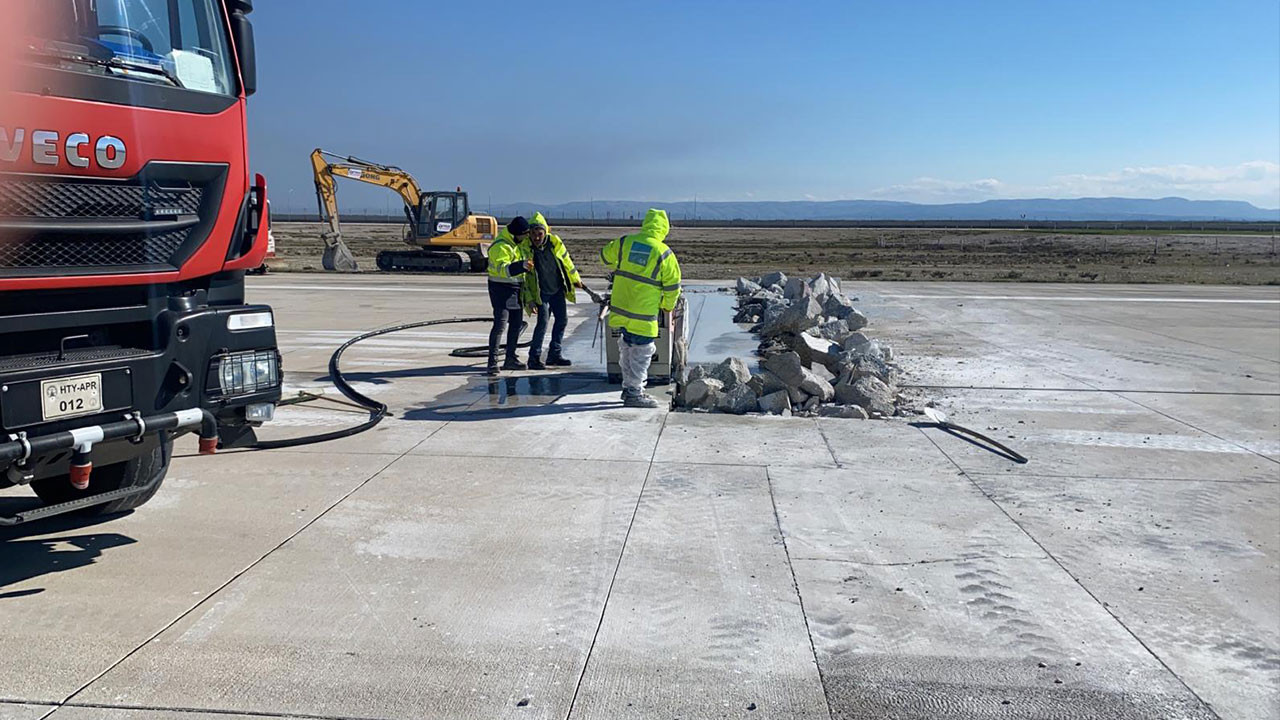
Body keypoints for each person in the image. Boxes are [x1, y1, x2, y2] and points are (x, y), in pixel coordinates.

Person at [600, 208, 681, 408]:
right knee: (642, 353)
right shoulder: (664, 253)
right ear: (664, 229)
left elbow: (604, 256)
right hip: (642, 314)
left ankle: (628, 388)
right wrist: (666, 306)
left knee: (626, 348)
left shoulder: (625, 242)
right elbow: (672, 286)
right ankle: (635, 393)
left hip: (621, 309)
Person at [525, 212, 585, 369]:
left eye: (539, 234)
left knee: (562, 320)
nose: (536, 238)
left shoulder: (554, 243)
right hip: (541, 293)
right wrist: (530, 299)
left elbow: (567, 262)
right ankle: (534, 358)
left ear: (545, 232)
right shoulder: (527, 249)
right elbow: (525, 279)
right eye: (533, 234)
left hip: (557, 289)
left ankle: (554, 354)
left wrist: (575, 279)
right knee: (542, 323)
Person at [485, 216, 534, 376]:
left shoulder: (516, 245)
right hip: (501, 290)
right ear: (515, 233)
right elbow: (502, 269)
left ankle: (510, 358)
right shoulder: (501, 246)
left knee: (515, 325)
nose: (526, 238)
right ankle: (492, 362)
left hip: (516, 290)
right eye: (523, 234)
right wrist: (521, 266)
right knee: (500, 325)